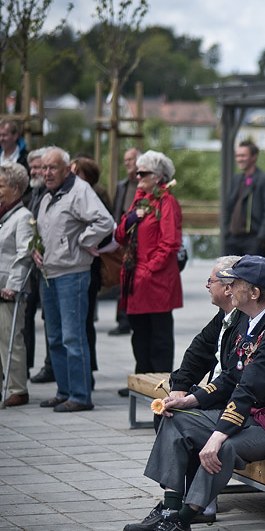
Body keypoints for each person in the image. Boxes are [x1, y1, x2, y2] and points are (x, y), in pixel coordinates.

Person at [122, 255, 265, 531]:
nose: (228, 288)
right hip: (249, 415)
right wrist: (188, 399)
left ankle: (183, 523)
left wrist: (217, 435)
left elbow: (247, 390)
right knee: (176, 417)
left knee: (222, 448)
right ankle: (170, 512)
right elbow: (230, 377)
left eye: (234, 284)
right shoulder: (248, 318)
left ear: (254, 293)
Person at [124, 255, 243, 531]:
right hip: (220, 397)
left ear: (229, 288)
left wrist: (193, 398)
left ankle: (183, 506)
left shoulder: (247, 323)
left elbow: (233, 381)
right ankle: (177, 504)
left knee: (178, 417)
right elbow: (197, 352)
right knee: (168, 411)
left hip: (237, 405)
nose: (206, 285)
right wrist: (179, 387)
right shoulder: (225, 317)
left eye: (211, 281)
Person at [34, 147, 114, 412]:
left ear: (66, 169)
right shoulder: (49, 194)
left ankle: (80, 396)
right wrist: (38, 249)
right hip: (50, 273)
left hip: (72, 273)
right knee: (54, 337)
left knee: (72, 337)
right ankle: (64, 390)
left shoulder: (80, 190)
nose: (46, 173)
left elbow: (105, 222)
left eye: (52, 167)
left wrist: (82, 241)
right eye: (44, 168)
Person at [114, 150, 182, 375]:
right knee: (139, 333)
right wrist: (131, 219)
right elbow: (120, 236)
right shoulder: (139, 201)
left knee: (159, 334)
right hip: (137, 280)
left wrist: (149, 269)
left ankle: (160, 380)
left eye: (143, 173)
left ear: (158, 177)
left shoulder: (167, 202)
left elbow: (170, 243)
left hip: (156, 280)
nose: (137, 177)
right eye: (137, 172)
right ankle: (142, 377)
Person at [71, 157, 114, 382]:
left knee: (84, 321)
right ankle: (86, 370)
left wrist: (86, 241)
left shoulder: (93, 196)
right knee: (83, 320)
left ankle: (86, 372)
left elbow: (108, 228)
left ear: (84, 176)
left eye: (74, 171)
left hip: (89, 266)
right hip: (86, 265)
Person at [0, 162, 33, 406]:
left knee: (10, 339)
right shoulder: (4, 214)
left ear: (15, 188)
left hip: (9, 290)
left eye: (1, 185)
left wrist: (14, 286)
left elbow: (24, 254)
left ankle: (17, 388)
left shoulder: (23, 217)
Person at [23, 148, 54, 383]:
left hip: (50, 266)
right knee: (28, 316)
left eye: (39, 167)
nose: (35, 171)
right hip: (33, 266)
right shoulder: (34, 191)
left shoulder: (49, 192)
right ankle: (28, 365)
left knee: (51, 320)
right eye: (32, 167)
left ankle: (51, 366)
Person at [109, 147, 141, 336]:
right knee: (123, 280)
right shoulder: (122, 186)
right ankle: (122, 320)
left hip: (140, 240)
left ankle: (132, 318)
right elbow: (117, 210)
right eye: (126, 160)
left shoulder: (144, 184)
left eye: (132, 159)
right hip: (125, 239)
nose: (128, 163)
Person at [224, 140, 265, 256]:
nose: (239, 159)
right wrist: (226, 231)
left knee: (252, 273)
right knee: (231, 273)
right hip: (233, 238)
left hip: (253, 239)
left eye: (243, 155)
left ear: (254, 157)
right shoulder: (237, 179)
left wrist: (261, 238)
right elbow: (228, 207)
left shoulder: (263, 179)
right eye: (238, 156)